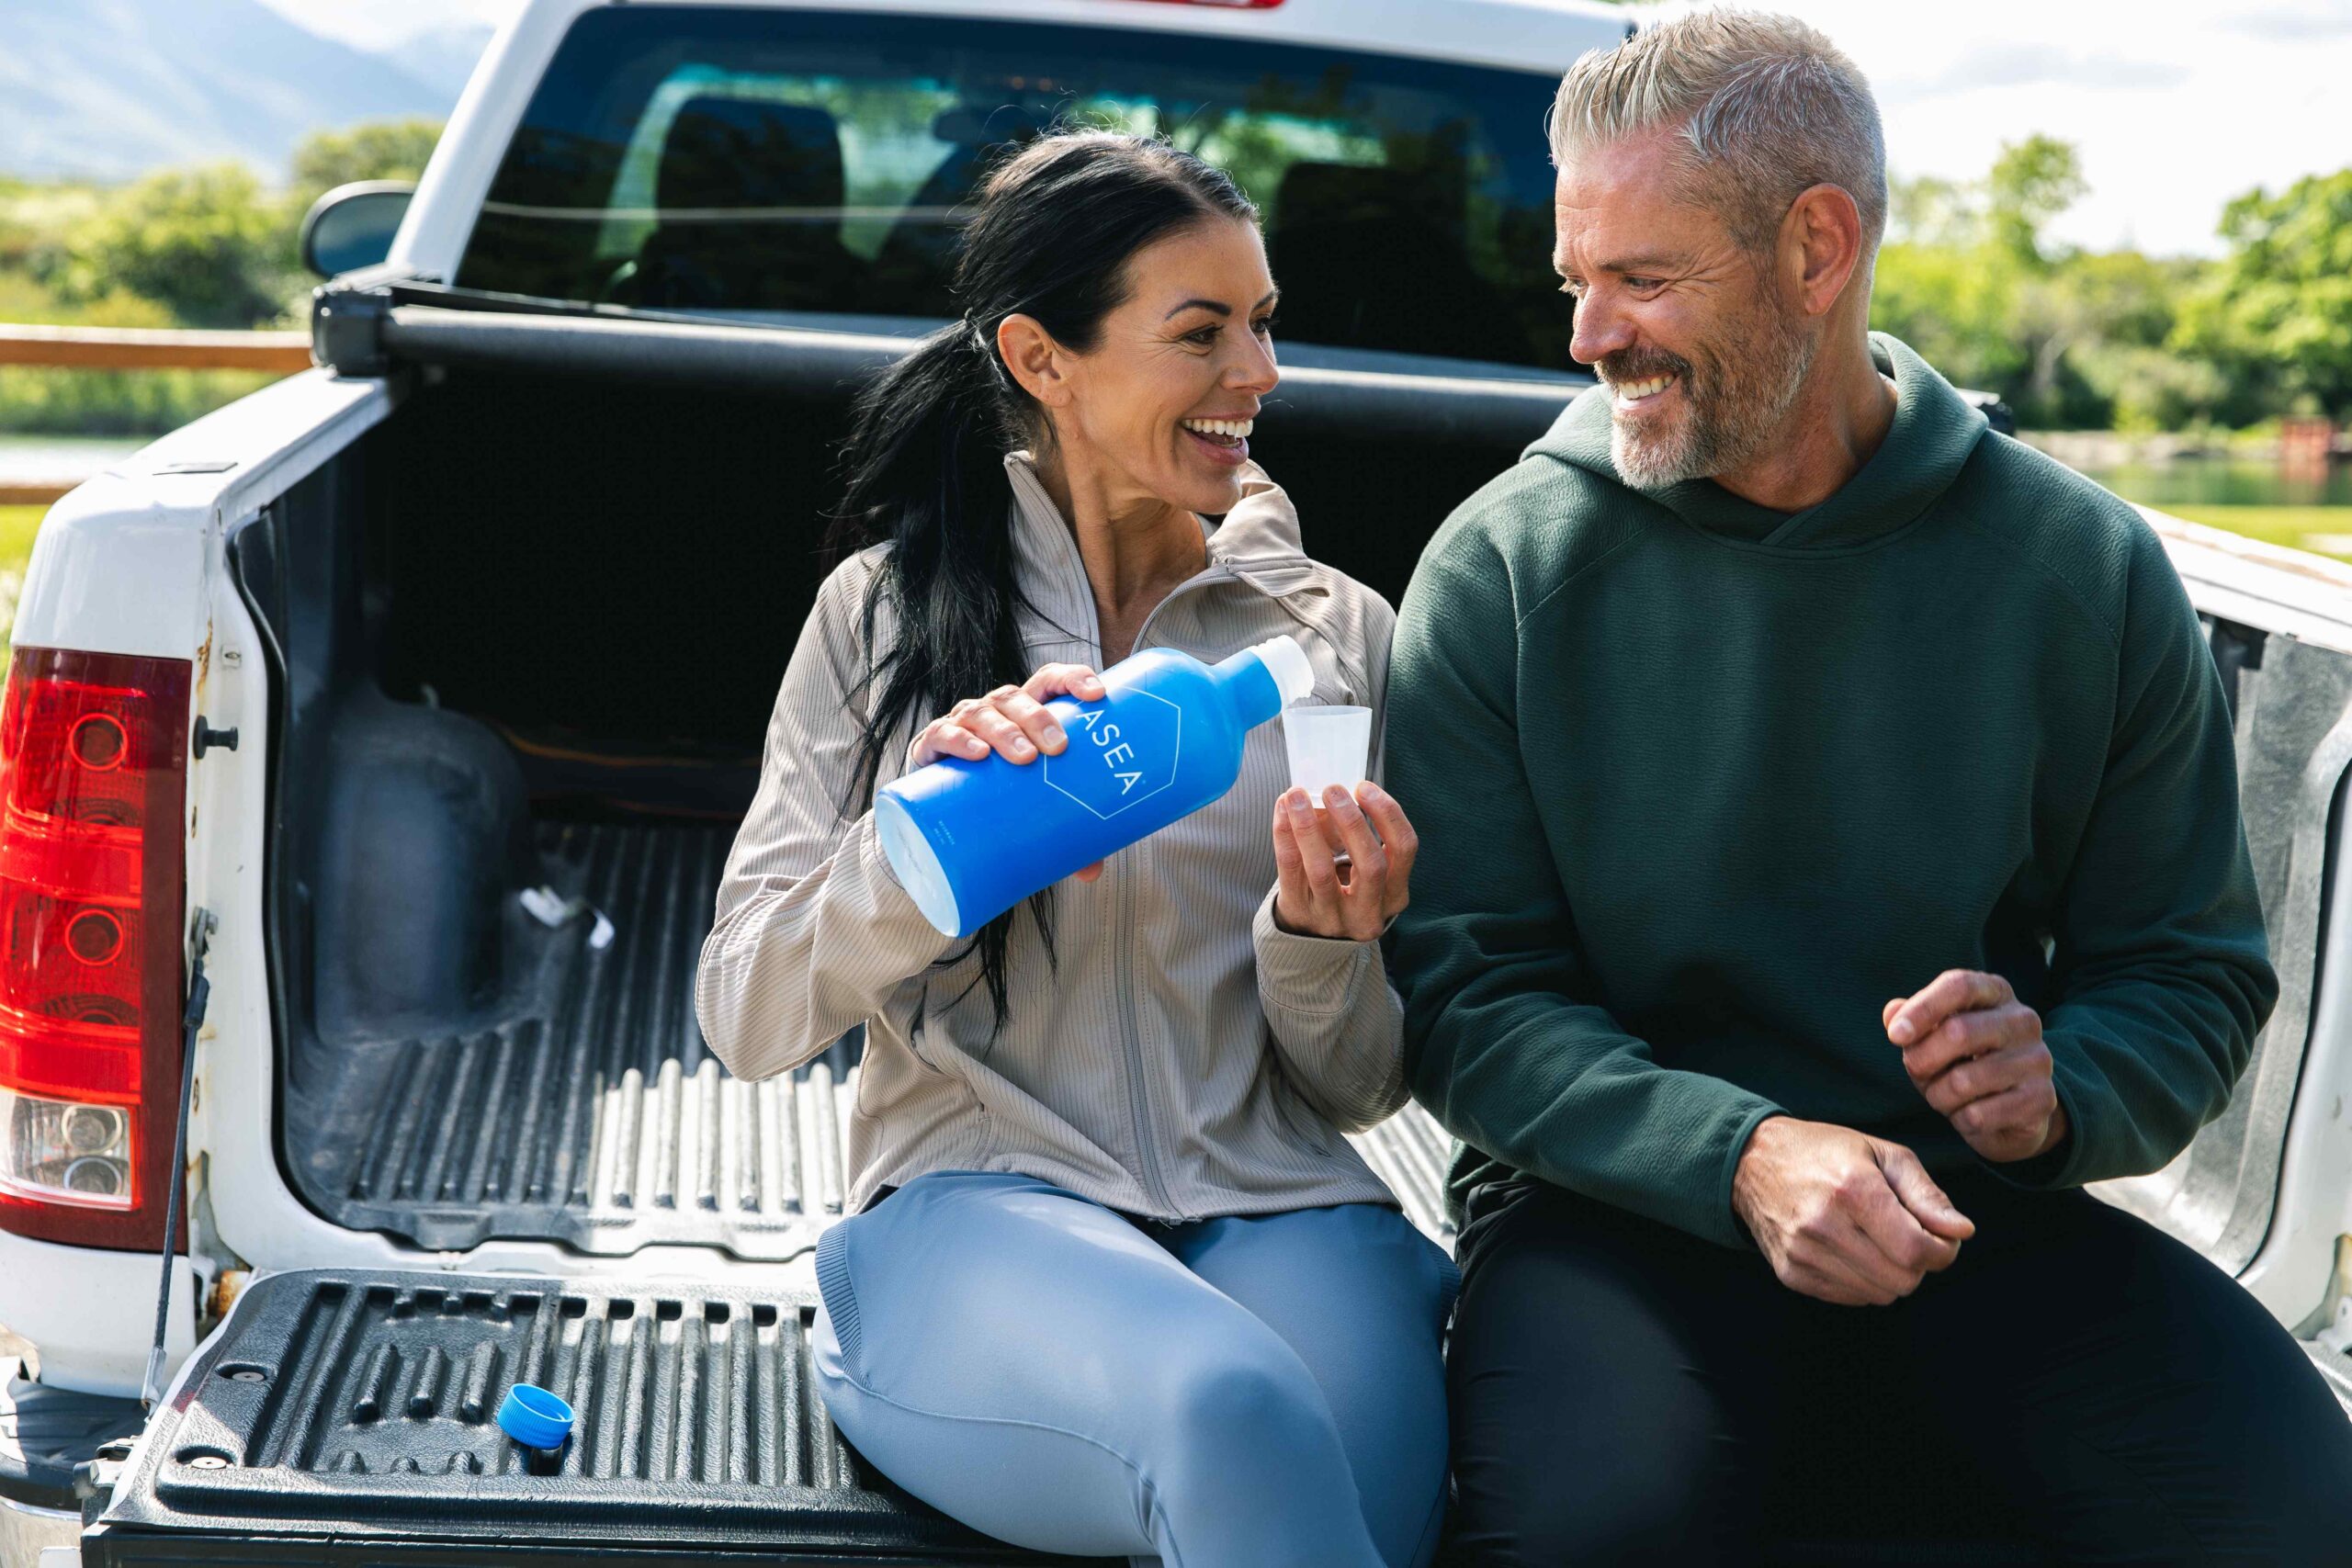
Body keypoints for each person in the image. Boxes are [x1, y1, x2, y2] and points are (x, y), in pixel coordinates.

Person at [1383, 13, 2352, 1564]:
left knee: (2290, 1512)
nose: (1589, 335)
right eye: (1579, 281)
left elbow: (2185, 969)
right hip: (1609, 1216)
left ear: (1817, 248)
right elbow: (1463, 993)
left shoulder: (2082, 568)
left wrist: (2057, 1094)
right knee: (1601, 1531)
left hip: (1973, 1213)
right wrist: (1745, 1155)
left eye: (1642, 279)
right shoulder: (1502, 566)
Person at [695, 131, 1453, 1568]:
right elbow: (744, 1013)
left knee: (1349, 1468)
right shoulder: (888, 619)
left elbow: (1356, 1085)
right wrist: (928, 839)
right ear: (1045, 359)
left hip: (1285, 1200)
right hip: (982, 1207)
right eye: (1203, 332)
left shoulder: (1337, 636)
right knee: (1235, 1412)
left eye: (1265, 324)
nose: (1262, 375)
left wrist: (1320, 939)